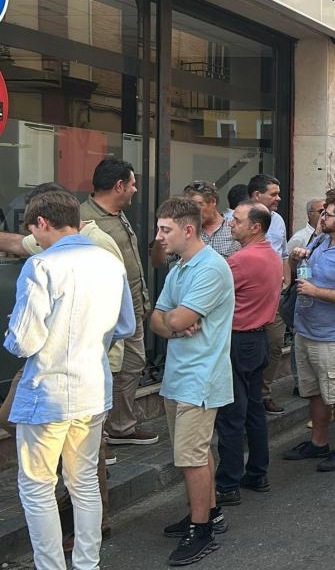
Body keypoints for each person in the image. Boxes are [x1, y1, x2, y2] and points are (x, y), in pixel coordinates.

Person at [7, 190, 135, 570]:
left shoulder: (42, 265)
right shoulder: (110, 262)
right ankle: (87, 564)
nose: (35, 239)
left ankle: (51, 567)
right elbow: (126, 324)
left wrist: (12, 336)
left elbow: (24, 340)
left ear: (42, 223)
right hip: (93, 387)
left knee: (37, 486)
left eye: (34, 231)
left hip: (47, 391)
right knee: (83, 484)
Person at [150, 197, 235, 566]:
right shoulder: (181, 268)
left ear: (188, 229)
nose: (158, 237)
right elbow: (156, 318)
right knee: (195, 455)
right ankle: (209, 513)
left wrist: (173, 321)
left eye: (164, 229)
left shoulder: (210, 269)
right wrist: (173, 321)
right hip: (179, 375)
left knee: (191, 458)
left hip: (200, 378)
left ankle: (200, 531)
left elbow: (173, 321)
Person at [281, 188, 335, 473]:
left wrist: (317, 291)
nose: (321, 217)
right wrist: (296, 259)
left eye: (326, 214)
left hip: (333, 335)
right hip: (306, 330)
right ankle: (318, 442)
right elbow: (302, 273)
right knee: (314, 392)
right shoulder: (321, 240)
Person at [85, 159, 158, 446]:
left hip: (132, 310)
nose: (136, 189)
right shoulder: (85, 221)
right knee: (108, 371)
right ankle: (100, 435)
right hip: (107, 317)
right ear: (119, 186)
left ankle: (121, 426)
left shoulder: (117, 213)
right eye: (132, 184)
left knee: (133, 364)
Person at [213, 201, 282, 507]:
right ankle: (257, 472)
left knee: (232, 415)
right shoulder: (271, 254)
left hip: (239, 340)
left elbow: (213, 298)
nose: (231, 224)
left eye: (237, 220)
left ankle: (228, 483)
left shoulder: (240, 261)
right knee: (253, 409)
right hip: (257, 340)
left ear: (255, 227)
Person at [248, 174, 288, 417]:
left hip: (274, 297)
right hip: (249, 298)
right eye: (273, 194)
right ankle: (248, 396)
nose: (278, 198)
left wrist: (286, 283)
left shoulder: (279, 221)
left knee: (274, 345)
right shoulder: (237, 219)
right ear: (256, 195)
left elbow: (282, 252)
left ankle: (264, 392)